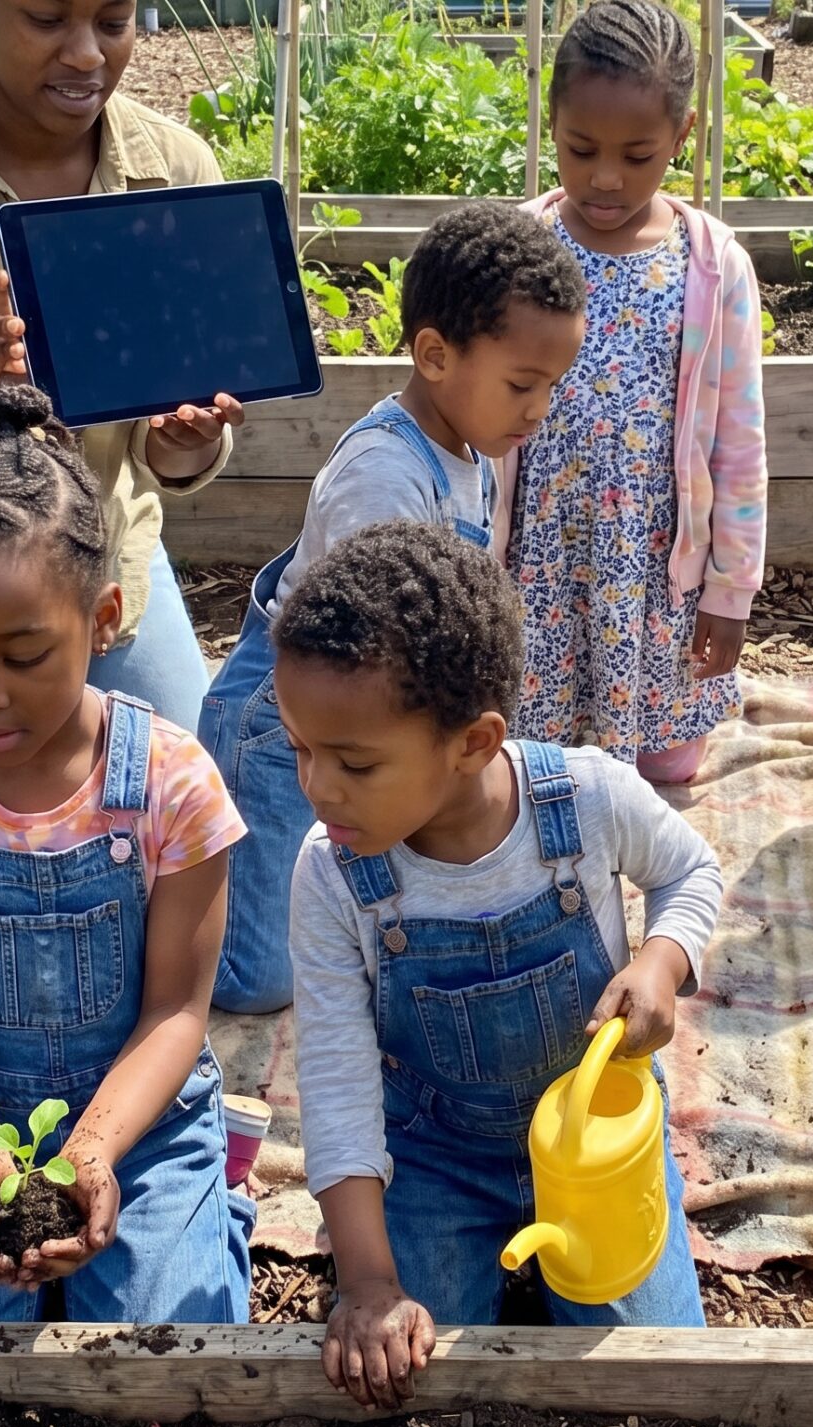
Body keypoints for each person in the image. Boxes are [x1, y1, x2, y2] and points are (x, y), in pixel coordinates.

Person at [280, 524, 718, 1410]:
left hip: (594, 1142)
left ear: (474, 741)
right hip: (435, 1155)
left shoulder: (586, 798)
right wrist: (367, 1282)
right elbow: (336, 1077)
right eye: (299, 748)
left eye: (355, 762)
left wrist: (663, 964)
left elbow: (689, 870)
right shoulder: (333, 873)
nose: (318, 788)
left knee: (656, 1372)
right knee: (405, 1375)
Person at [0, 386, 253, 1323]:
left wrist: (96, 1150)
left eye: (23, 655)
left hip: (145, 1127)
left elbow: (173, 1015)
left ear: (104, 617)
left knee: (171, 1344)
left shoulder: (174, 785)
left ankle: (209, 1209)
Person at [197, 202, 586, 1015]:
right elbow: (371, 656)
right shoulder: (384, 476)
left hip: (375, 720)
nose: (538, 408)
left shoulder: (469, 450)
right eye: (523, 384)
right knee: (258, 976)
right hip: (289, 728)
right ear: (436, 355)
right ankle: (147, 916)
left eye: (551, 386)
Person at [0, 0, 241, 726]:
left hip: (100, 542)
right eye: (46, 19)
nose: (85, 54)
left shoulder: (173, 171)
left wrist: (180, 442)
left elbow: (172, 409)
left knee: (176, 780)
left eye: (114, 21)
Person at [500, 0, 769, 787]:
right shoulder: (522, 243)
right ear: (551, 124)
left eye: (638, 155)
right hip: (540, 547)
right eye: (581, 150)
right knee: (536, 750)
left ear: (682, 139)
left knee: (665, 760)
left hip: (650, 554)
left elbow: (740, 445)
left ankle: (637, 755)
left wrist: (731, 589)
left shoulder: (712, 266)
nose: (605, 178)